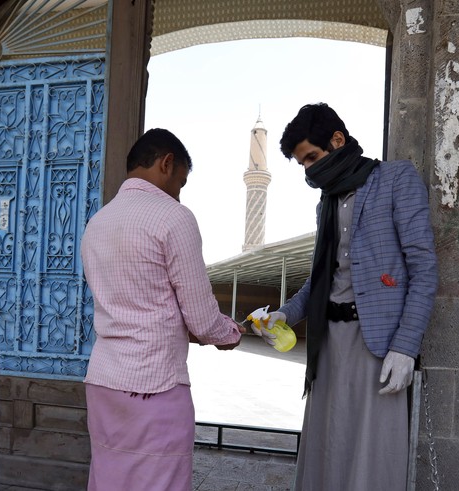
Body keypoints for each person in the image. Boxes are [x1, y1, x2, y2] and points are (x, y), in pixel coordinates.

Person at [256, 103, 437, 490]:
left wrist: (405, 348)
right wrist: (285, 315)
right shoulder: (327, 201)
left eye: (312, 157)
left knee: (372, 453)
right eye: (301, 163)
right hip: (329, 344)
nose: (308, 170)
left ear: (337, 140)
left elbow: (424, 269)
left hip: (377, 345)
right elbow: (321, 278)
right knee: (327, 445)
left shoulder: (395, 178)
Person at [80, 128, 244, 491]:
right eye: (181, 182)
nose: (179, 191)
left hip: (105, 382)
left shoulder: (97, 223)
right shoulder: (173, 217)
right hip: (154, 386)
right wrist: (229, 332)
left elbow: (134, 303)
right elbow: (202, 318)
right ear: (166, 163)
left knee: (110, 480)